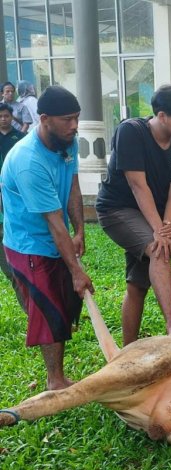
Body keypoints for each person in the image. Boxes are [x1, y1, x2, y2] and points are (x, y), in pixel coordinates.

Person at [0, 86, 94, 390]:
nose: (74, 125)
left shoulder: (68, 142)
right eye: (67, 119)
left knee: (65, 304)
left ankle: (59, 374)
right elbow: (53, 222)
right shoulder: (28, 161)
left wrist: (79, 230)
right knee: (49, 309)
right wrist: (77, 271)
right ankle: (55, 380)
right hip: (29, 245)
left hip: (56, 238)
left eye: (77, 118)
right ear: (44, 119)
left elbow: (74, 187)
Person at [96, 84, 171, 345]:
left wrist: (166, 223)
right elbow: (137, 185)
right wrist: (160, 231)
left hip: (153, 212)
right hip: (117, 209)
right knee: (159, 249)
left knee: (137, 285)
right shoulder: (131, 131)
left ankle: (128, 350)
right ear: (162, 116)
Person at [0, 102, 26, 309]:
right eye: (0, 116)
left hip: (15, 213)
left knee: (16, 271)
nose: (3, 119)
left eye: (6, 115)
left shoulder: (21, 139)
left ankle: (32, 314)